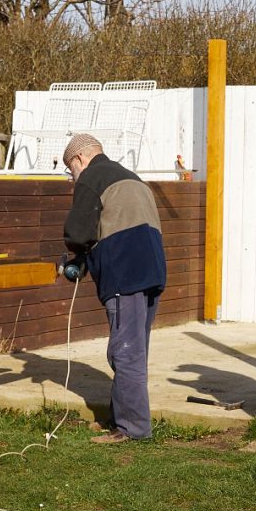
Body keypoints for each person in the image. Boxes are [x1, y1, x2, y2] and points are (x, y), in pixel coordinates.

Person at [62, 133, 167, 444]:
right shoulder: (132, 177)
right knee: (132, 349)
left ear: (80, 159)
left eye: (70, 170)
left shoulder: (91, 178)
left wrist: (75, 258)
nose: (72, 179)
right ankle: (119, 419)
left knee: (125, 353)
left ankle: (133, 429)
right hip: (153, 271)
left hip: (125, 275)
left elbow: (78, 234)